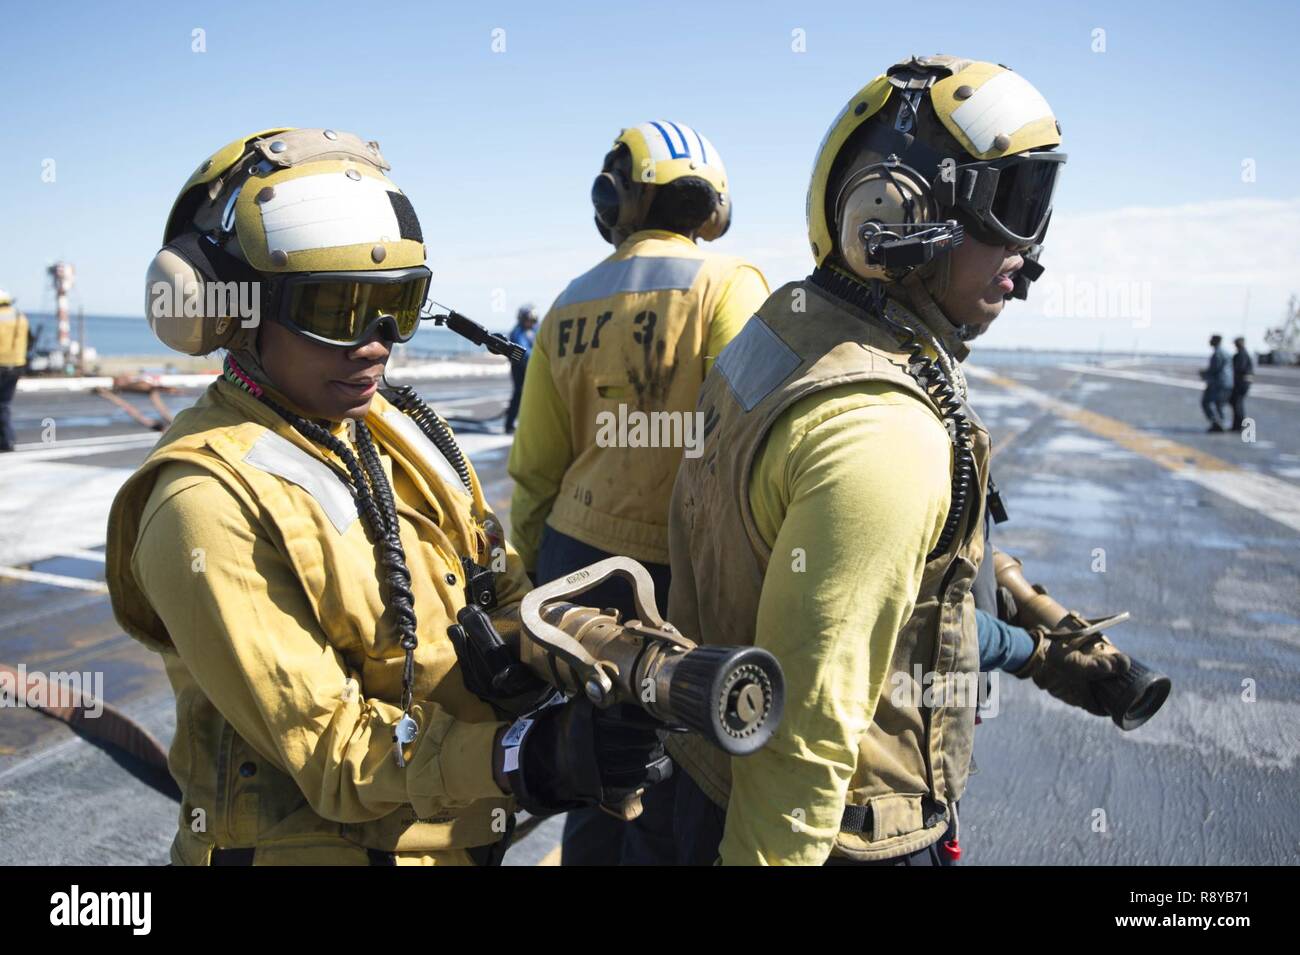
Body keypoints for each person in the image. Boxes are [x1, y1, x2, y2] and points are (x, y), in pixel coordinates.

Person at [105, 127, 670, 866]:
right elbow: (333, 753)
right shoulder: (200, 502)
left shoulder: (396, 428)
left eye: (398, 304)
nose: (376, 342)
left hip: (456, 835)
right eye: (338, 308)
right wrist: (529, 757)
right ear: (228, 309)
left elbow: (501, 592)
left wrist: (612, 657)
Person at [661, 56, 1130, 865]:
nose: (1030, 250)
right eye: (1015, 205)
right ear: (894, 210)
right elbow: (803, 738)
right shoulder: (884, 428)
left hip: (698, 781)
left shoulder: (785, 327)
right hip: (840, 831)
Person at [507, 121, 769, 864]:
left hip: (574, 560)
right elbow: (739, 447)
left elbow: (534, 469)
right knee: (673, 773)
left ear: (616, 196)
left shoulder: (567, 303)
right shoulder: (729, 284)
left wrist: (536, 577)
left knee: (595, 763)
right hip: (674, 574)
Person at [0, 289, 30, 452]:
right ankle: (8, 440)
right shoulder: (20, 316)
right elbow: (29, 341)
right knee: (4, 404)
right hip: (17, 365)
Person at [503, 305, 538, 433]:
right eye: (527, 319)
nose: (530, 322)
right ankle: (509, 424)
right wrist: (537, 359)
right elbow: (523, 352)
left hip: (533, 368)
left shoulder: (536, 330)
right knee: (519, 394)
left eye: (532, 319)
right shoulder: (517, 332)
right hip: (519, 368)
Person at [1200, 334, 1232, 432]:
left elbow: (1215, 370)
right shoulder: (1225, 352)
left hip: (1218, 383)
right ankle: (1220, 423)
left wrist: (1204, 374)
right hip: (1226, 382)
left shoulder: (1218, 354)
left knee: (1207, 402)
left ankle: (1217, 423)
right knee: (1219, 404)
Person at [1230, 336, 1253, 431]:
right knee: (1237, 404)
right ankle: (1237, 425)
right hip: (1242, 383)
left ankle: (1239, 425)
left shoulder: (1241, 355)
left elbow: (1239, 369)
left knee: (1237, 404)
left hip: (1241, 383)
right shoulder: (1242, 354)